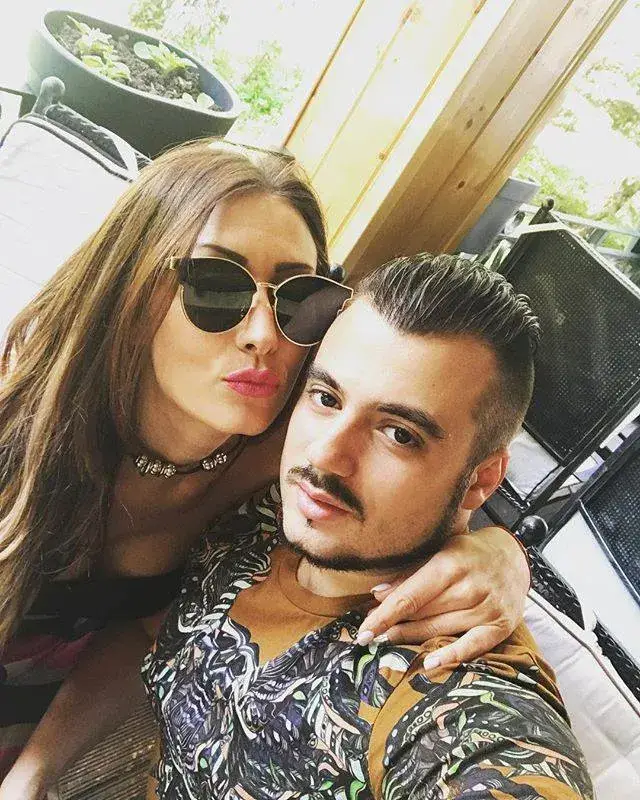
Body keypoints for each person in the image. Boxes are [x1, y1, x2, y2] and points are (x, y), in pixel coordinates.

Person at [0, 141, 529, 797]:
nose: (263, 334)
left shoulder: (290, 453)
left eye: (298, 299)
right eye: (216, 286)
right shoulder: (23, 421)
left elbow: (445, 465)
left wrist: (502, 552)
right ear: (128, 288)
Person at [143, 253, 593, 800]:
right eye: (326, 398)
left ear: (480, 481)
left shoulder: (455, 691)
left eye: (399, 434)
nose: (325, 456)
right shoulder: (261, 514)